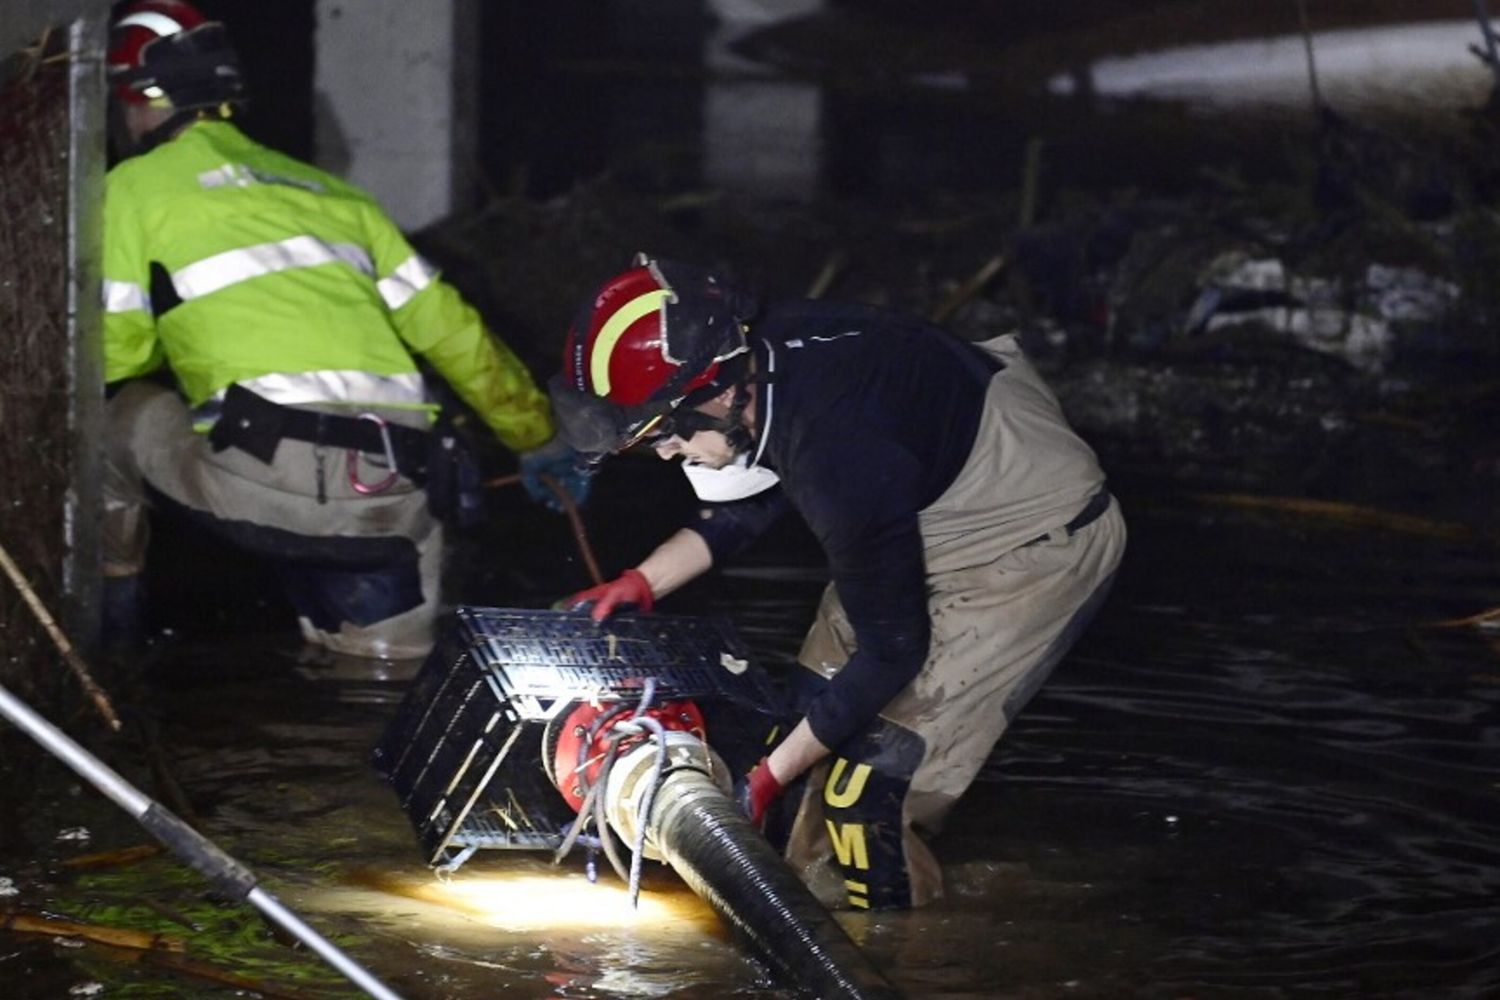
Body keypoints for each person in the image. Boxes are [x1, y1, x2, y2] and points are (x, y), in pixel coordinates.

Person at [550, 254, 1126, 909]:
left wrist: (764, 779)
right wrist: (643, 581)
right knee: (795, 734)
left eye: (662, 435)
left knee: (862, 798)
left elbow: (892, 650)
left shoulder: (837, 451)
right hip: (924, 485)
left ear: (711, 392)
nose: (664, 453)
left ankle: (905, 958)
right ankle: (808, 908)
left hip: (1031, 534)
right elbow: (756, 492)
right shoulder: (753, 364)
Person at [100, 0, 588, 659]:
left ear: (140, 100)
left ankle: (108, 642)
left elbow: (118, 351)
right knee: (379, 686)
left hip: (267, 476)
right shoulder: (338, 197)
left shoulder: (133, 186)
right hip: (400, 487)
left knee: (109, 419)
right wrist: (536, 437)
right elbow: (456, 336)